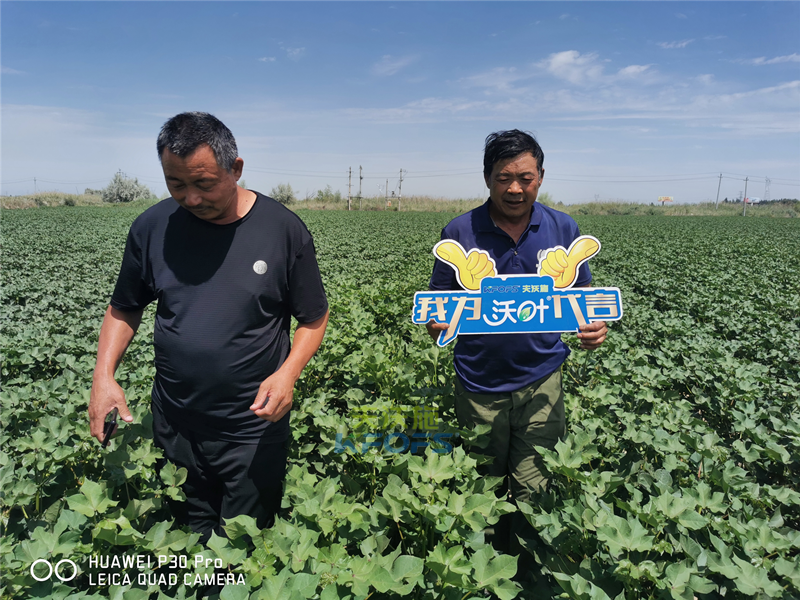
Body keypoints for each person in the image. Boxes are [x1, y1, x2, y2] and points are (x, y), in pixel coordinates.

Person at [88, 112, 329, 543]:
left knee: (241, 547)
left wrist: (287, 372)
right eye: (176, 184)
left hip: (251, 428)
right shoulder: (152, 228)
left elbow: (313, 318)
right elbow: (124, 308)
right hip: (175, 423)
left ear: (236, 169)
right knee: (184, 536)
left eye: (203, 184)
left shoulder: (282, 230)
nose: (191, 199)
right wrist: (103, 377)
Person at [426, 129, 607, 581]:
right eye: (503, 177)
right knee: (480, 490)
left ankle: (526, 579)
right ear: (487, 178)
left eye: (525, 177)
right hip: (478, 384)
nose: (514, 187)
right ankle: (480, 578)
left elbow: (583, 299)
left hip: (542, 381)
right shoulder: (460, 231)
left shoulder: (563, 228)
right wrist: (438, 322)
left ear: (540, 177)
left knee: (534, 489)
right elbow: (437, 304)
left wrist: (592, 327)